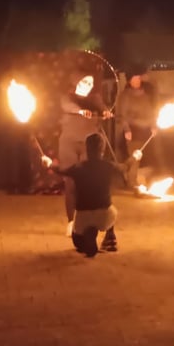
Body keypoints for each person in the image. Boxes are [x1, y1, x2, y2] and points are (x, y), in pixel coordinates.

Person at [61, 133, 138, 257]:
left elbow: (60, 171)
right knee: (111, 209)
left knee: (79, 244)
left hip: (83, 217)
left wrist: (47, 163)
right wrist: (134, 157)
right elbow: (124, 168)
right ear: (103, 149)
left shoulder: (78, 167)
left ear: (86, 148)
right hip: (105, 216)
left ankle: (88, 236)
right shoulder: (108, 166)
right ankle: (110, 238)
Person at [59, 72, 114, 237]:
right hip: (68, 144)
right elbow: (68, 107)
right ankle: (71, 221)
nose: (87, 86)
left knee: (87, 184)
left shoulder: (95, 98)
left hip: (87, 145)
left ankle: (88, 221)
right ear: (75, 82)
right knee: (70, 184)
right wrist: (81, 111)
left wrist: (106, 112)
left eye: (90, 83)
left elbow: (103, 108)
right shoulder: (66, 97)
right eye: (83, 82)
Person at [117, 71, 159, 190]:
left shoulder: (144, 95)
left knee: (138, 157)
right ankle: (131, 183)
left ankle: (131, 179)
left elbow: (150, 113)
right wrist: (127, 130)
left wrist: (153, 126)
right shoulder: (125, 96)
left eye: (138, 78)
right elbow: (122, 115)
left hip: (144, 131)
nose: (137, 81)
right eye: (134, 79)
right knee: (135, 157)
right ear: (130, 81)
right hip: (133, 131)